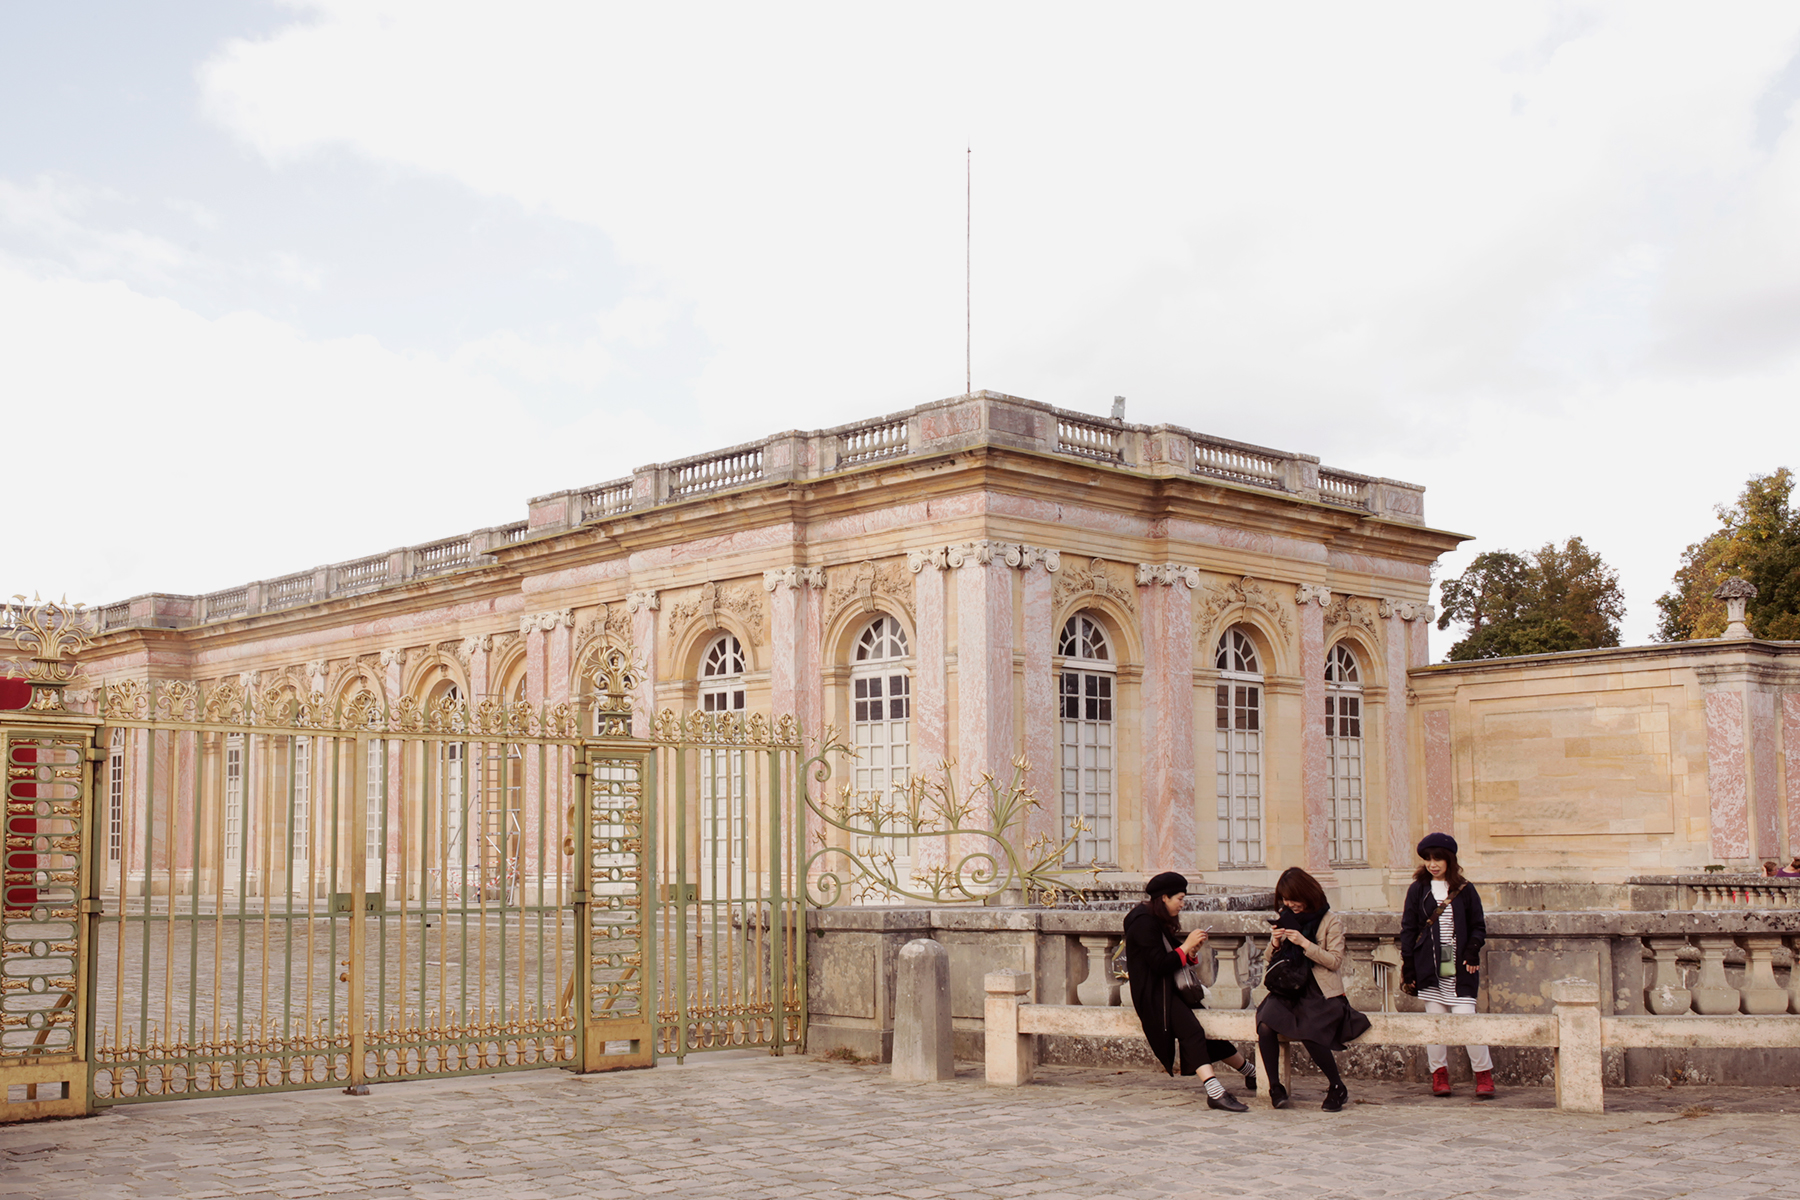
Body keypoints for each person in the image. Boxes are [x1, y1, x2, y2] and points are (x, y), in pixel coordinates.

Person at [1122, 871, 1250, 1111]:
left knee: (1208, 1032)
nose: (1182, 904)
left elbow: (1172, 959)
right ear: (1164, 898)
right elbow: (1159, 964)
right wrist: (1187, 946)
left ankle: (1249, 1072)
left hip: (1171, 989)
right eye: (1179, 898)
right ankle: (1215, 1092)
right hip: (1153, 995)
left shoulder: (1157, 918)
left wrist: (1189, 952)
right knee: (1192, 1031)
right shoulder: (1142, 922)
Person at [1255, 866, 1369, 1112]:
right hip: (1289, 989)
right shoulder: (1286, 917)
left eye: (1293, 899)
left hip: (1320, 991)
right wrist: (1275, 941)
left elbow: (1335, 961)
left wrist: (1305, 943)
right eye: (1284, 899)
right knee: (1265, 1024)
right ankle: (1275, 1087)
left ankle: (1336, 1086)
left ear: (1307, 895)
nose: (1289, 904)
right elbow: (1268, 959)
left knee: (1309, 1028)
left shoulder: (1330, 922)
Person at [1399, 832, 1495, 1099]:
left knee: (1467, 1020)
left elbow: (1478, 926)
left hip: (1457, 962)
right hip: (1429, 964)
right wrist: (1408, 966)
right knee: (1436, 1022)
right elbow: (1408, 928)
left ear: (1449, 860)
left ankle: (1484, 1075)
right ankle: (1439, 1075)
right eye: (1428, 859)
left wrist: (1473, 951)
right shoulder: (1418, 889)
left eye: (1438, 859)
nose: (1433, 864)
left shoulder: (1465, 889)